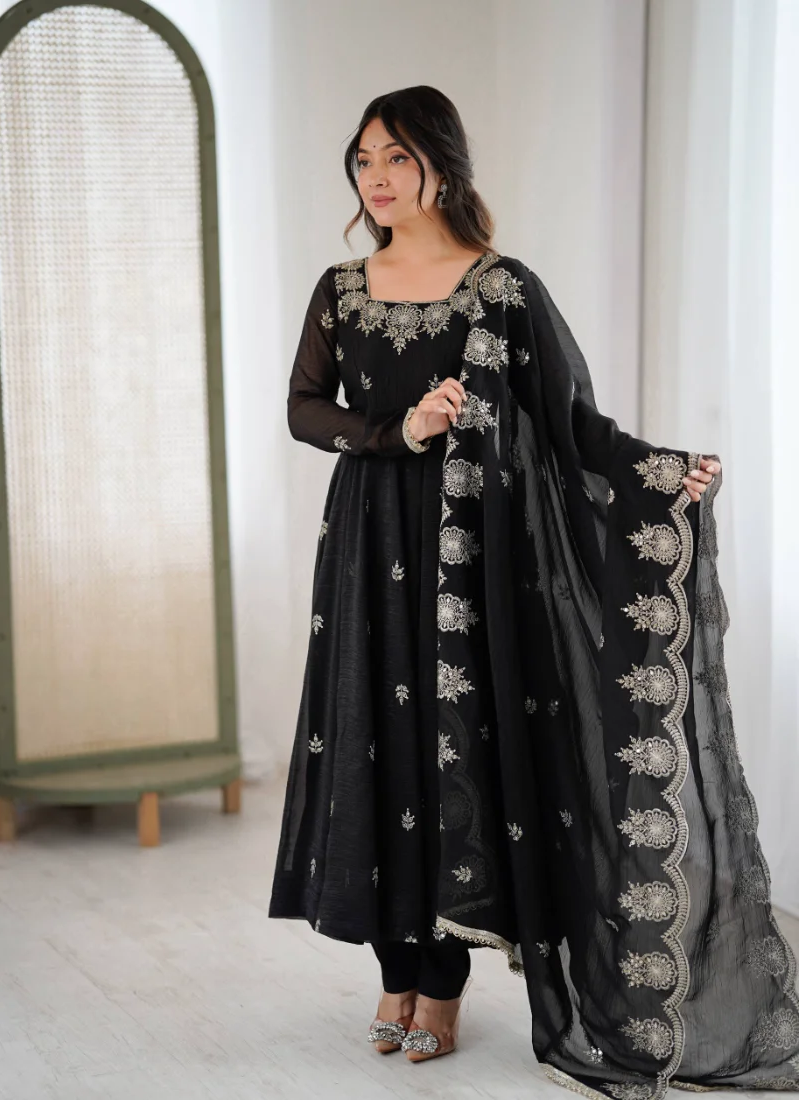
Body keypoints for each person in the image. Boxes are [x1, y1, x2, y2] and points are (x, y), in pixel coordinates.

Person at [269, 85, 799, 1094]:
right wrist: (398, 430)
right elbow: (302, 408)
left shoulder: (502, 289)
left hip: (471, 562)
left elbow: (571, 424)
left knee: (449, 750)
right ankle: (395, 975)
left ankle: (442, 985)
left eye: (396, 157)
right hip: (369, 547)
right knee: (375, 744)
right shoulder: (342, 288)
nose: (376, 177)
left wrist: (661, 472)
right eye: (364, 160)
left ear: (440, 164)